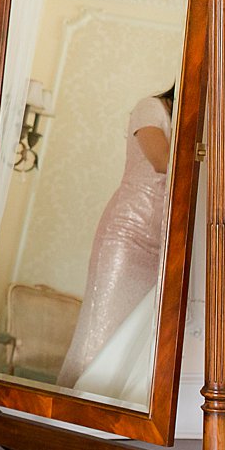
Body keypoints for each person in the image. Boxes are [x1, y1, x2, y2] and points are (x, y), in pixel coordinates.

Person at [57, 89, 174, 390]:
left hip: (164, 241)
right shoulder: (151, 108)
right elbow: (162, 161)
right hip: (126, 234)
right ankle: (74, 408)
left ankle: (109, 411)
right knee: (101, 324)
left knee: (133, 336)